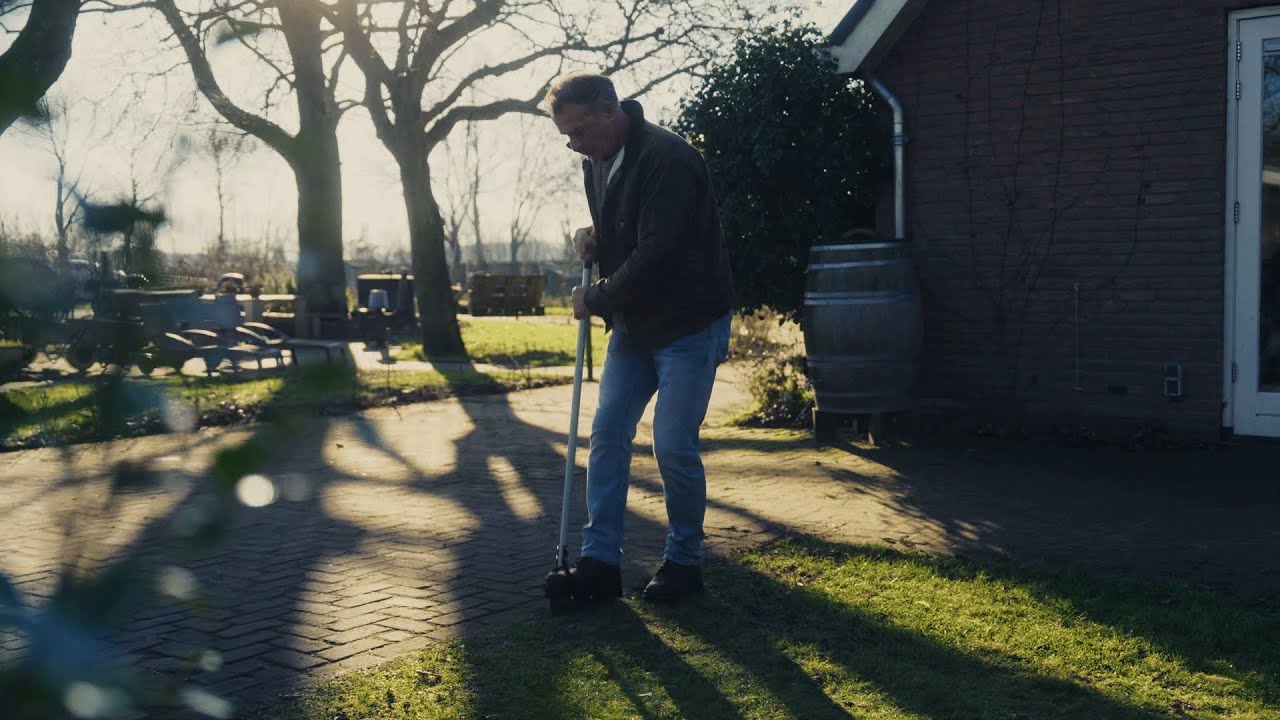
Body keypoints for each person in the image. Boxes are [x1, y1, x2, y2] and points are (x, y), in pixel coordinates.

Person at [545, 72, 735, 603]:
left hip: (688, 323)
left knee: (672, 444)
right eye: (567, 137)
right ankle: (600, 561)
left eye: (578, 131)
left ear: (609, 112)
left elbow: (659, 252)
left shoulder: (667, 161)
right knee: (606, 435)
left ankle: (684, 562)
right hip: (635, 326)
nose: (574, 145)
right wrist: (595, 240)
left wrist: (596, 297)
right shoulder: (598, 159)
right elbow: (626, 232)